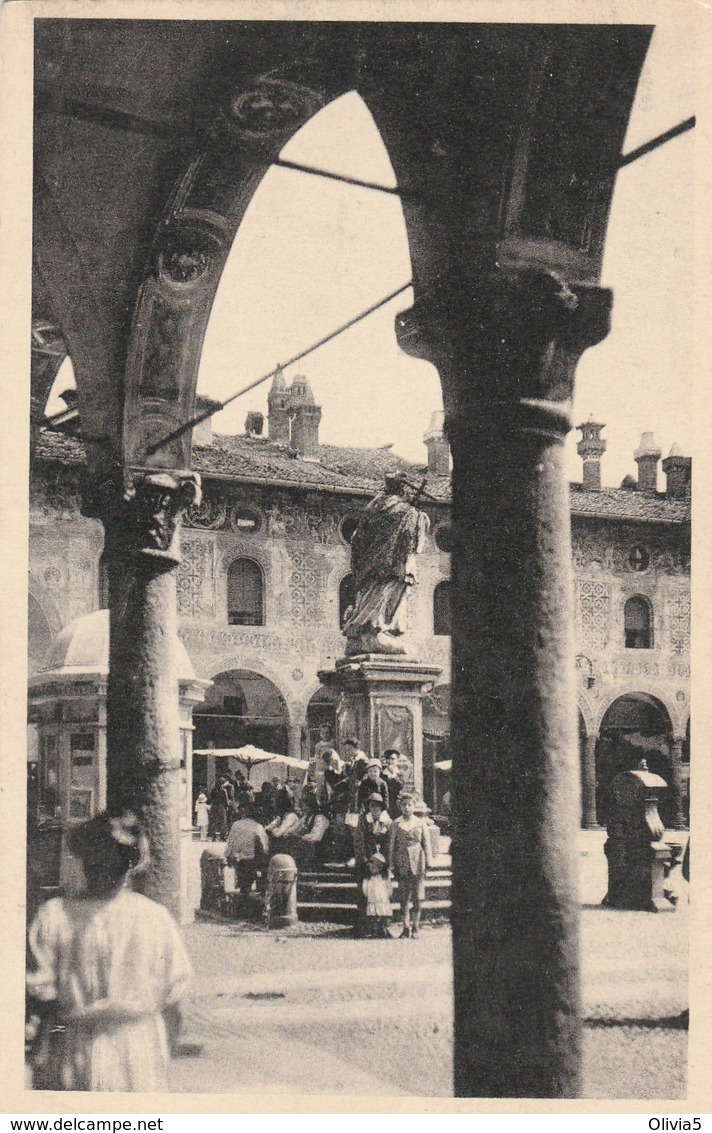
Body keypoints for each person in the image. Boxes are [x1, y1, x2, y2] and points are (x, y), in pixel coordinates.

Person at [26, 811, 191, 1092]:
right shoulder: (154, 918)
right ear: (131, 864)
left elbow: (40, 999)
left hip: (74, 1048)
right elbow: (175, 1003)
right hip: (138, 1050)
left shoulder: (55, 915)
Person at [342, 473, 430, 655]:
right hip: (391, 567)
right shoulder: (406, 511)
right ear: (402, 488)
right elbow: (409, 539)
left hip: (368, 567)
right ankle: (377, 630)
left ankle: (365, 632)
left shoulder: (372, 508)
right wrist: (418, 515)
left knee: (371, 596)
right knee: (387, 596)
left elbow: (358, 538)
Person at [387, 791, 433, 939]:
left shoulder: (420, 823)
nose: (406, 808)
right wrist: (391, 863)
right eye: (404, 805)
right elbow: (391, 845)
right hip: (401, 862)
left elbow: (426, 843)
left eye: (409, 805)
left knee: (418, 897)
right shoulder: (396, 823)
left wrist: (428, 861)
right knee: (403, 896)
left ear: (414, 806)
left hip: (418, 861)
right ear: (400, 807)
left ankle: (416, 927)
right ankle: (405, 927)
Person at [224, 801, 269, 904]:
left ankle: (244, 896)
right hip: (252, 860)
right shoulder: (258, 827)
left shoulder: (235, 825)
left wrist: (228, 856)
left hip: (239, 860)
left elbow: (230, 842)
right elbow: (264, 845)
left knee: (244, 881)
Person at [361, 853, 393, 938]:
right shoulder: (368, 879)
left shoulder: (384, 879)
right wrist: (367, 894)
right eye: (371, 868)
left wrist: (388, 895)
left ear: (381, 867)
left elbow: (389, 888)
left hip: (383, 900)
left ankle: (384, 928)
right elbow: (365, 888)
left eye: (375, 867)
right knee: (373, 916)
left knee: (384, 914)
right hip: (373, 900)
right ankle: (374, 930)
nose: (372, 869)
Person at [381, 749, 403, 818]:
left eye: (393, 759)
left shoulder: (400, 774)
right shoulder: (382, 774)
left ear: (397, 760)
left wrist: (394, 775)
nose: (390, 762)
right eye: (388, 759)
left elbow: (402, 786)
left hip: (399, 804)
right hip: (387, 804)